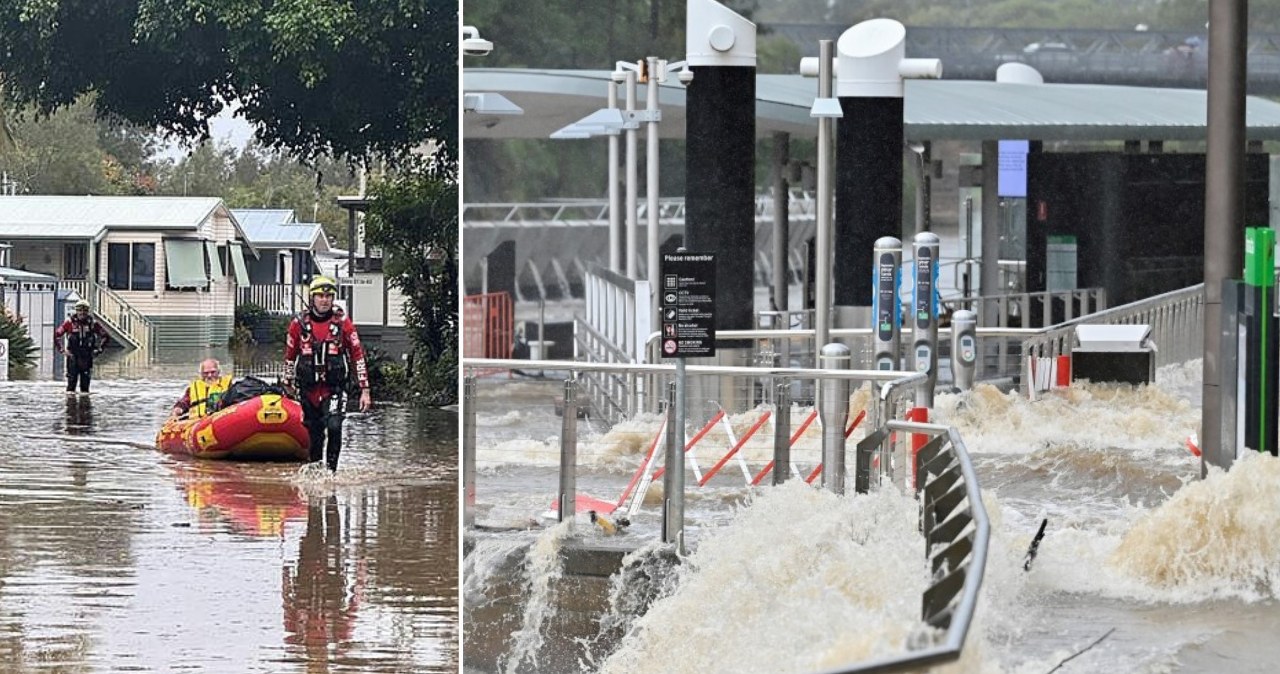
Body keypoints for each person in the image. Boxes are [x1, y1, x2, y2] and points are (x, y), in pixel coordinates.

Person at [283, 276, 373, 471]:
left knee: (334, 426)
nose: (324, 300)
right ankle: (315, 474)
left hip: (334, 388)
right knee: (315, 435)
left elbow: (357, 356)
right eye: (320, 296)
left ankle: (331, 473)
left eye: (328, 296)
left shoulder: (343, 324)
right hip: (309, 389)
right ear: (312, 298)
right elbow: (290, 356)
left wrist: (364, 389)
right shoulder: (298, 324)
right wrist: (287, 382)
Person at [54, 299, 109, 394]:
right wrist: (62, 350)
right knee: (71, 386)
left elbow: (105, 336)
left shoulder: (93, 323)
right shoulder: (69, 323)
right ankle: (71, 406)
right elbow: (57, 335)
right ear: (76, 311)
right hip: (73, 356)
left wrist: (99, 350)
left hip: (87, 357)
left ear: (87, 311)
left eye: (84, 310)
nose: (82, 313)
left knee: (85, 388)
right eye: (79, 310)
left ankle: (85, 406)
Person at [169, 358, 233, 421]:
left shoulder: (227, 385)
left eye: (213, 372)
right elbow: (184, 402)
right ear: (201, 374)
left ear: (218, 372)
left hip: (219, 420)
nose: (209, 376)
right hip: (196, 422)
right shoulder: (194, 387)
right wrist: (177, 411)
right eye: (206, 373)